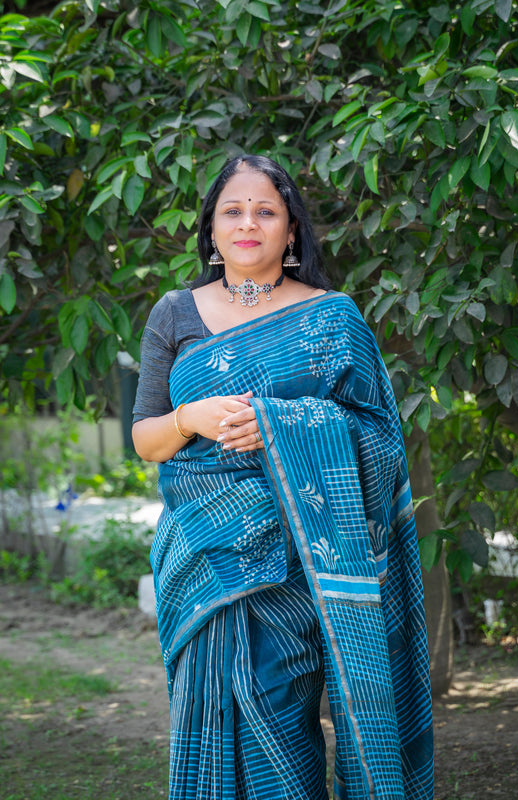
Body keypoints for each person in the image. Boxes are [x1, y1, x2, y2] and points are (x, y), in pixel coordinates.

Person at [132, 154, 434, 800]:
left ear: (291, 229)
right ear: (210, 228)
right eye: (231, 211)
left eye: (265, 210)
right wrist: (190, 416)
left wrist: (283, 425)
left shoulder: (331, 319)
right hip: (205, 559)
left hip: (302, 563)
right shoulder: (174, 313)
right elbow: (146, 439)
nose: (248, 223)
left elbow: (379, 438)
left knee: (280, 721)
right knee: (218, 716)